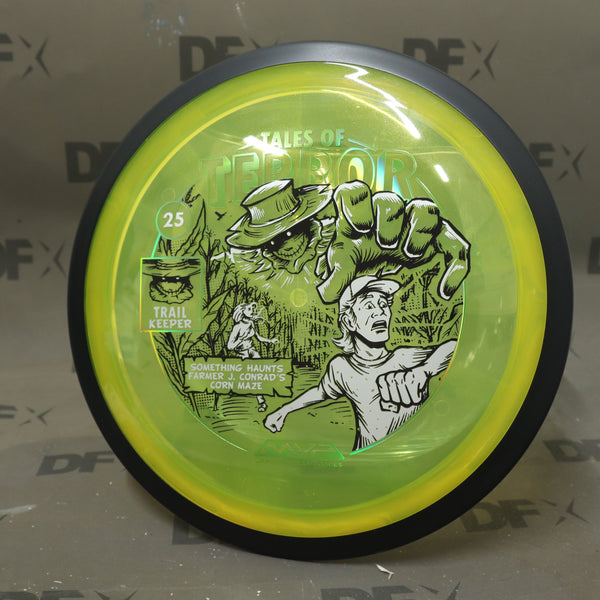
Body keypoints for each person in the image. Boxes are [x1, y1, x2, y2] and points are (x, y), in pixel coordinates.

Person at [263, 276, 456, 451]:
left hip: (409, 459)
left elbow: (453, 347)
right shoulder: (341, 368)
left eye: (383, 304)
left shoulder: (405, 358)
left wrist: (424, 371)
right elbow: (320, 392)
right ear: (349, 321)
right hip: (366, 458)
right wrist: (283, 411)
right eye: (369, 306)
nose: (380, 311)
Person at [227, 302, 278, 411]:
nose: (252, 311)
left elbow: (258, 337)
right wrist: (240, 340)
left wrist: (270, 341)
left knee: (260, 373)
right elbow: (230, 346)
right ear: (242, 312)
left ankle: (266, 396)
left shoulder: (251, 323)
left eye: (252, 309)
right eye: (249, 309)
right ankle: (262, 403)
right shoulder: (237, 327)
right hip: (243, 353)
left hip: (252, 350)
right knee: (253, 378)